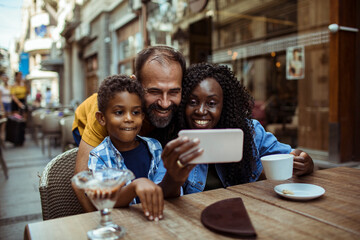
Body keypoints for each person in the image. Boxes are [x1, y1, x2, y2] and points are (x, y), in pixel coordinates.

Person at [160, 63, 314, 196]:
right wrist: (174, 177)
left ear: (224, 106)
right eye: (193, 102)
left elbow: (290, 157)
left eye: (211, 103)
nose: (201, 110)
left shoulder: (251, 132)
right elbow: (164, 196)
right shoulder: (173, 140)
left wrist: (305, 163)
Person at [72, 45, 191, 210]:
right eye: (154, 91)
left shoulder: (161, 133)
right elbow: (81, 180)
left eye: (173, 92)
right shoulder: (107, 110)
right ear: (136, 84)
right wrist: (101, 220)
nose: (165, 103)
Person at [88, 74, 165, 221]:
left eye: (135, 112)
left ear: (142, 116)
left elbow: (162, 187)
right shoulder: (99, 157)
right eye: (119, 112)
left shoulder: (154, 147)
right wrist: (134, 186)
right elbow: (104, 201)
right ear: (102, 118)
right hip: (122, 225)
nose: (129, 118)